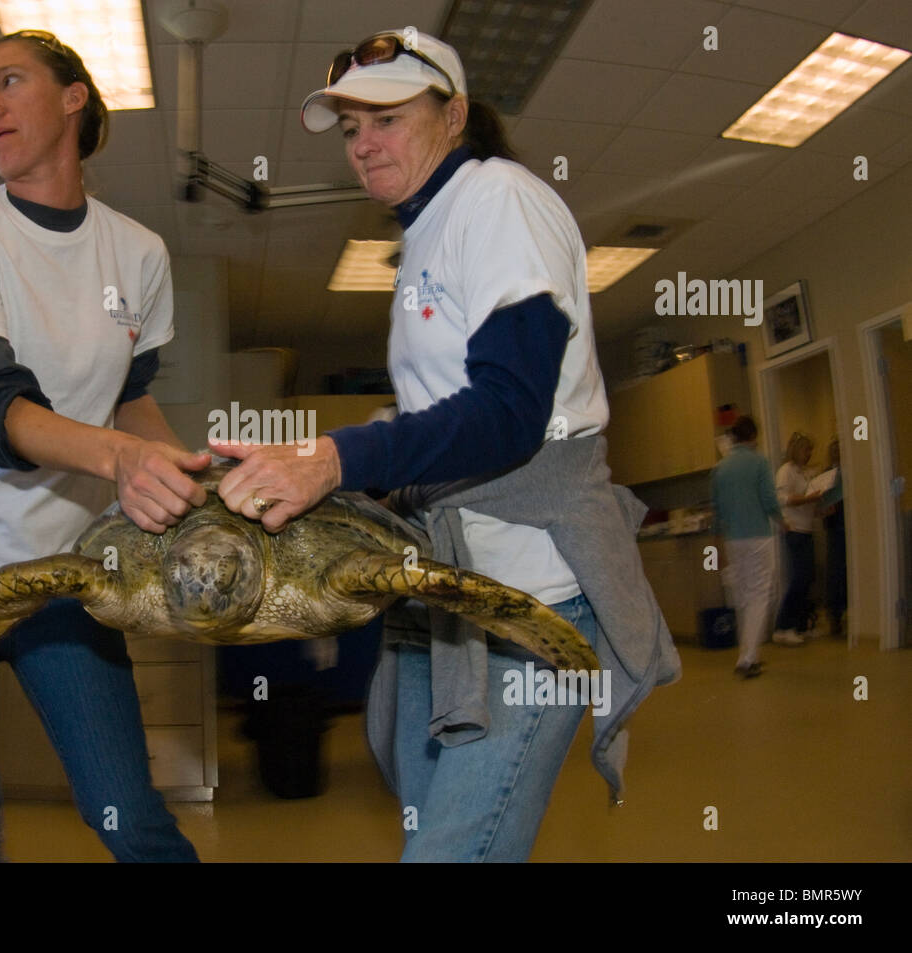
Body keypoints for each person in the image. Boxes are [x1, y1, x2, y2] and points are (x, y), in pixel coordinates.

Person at [210, 29, 679, 862]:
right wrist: (318, 478)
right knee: (430, 827)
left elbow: (508, 413)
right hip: (450, 590)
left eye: (385, 117)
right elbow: (439, 419)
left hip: (531, 596)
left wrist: (334, 459)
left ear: (454, 114)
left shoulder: (498, 200)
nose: (363, 144)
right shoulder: (425, 234)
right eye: (351, 127)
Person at [0, 30, 208, 862]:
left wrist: (187, 476)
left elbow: (128, 398)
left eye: (8, 81)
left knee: (129, 817)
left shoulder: (138, 253)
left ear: (73, 99)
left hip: (65, 578)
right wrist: (118, 460)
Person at [711, 415, 783, 678]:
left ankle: (746, 653)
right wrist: (782, 521)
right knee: (759, 596)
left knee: (742, 598)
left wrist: (717, 545)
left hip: (733, 540)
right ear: (753, 436)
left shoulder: (720, 468)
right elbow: (769, 500)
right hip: (757, 537)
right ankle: (747, 659)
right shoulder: (759, 462)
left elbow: (716, 510)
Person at [773, 432, 824, 645]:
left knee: (808, 578)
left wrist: (818, 505)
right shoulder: (786, 471)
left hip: (806, 529)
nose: (809, 454)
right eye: (806, 450)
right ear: (796, 450)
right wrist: (807, 499)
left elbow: (806, 500)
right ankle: (783, 626)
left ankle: (802, 625)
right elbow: (782, 499)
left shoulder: (804, 473)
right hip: (794, 530)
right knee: (799, 579)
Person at [819, 437, 847, 638]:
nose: (837, 454)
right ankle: (835, 616)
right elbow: (820, 500)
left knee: (847, 572)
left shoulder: (851, 472)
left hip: (848, 524)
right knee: (835, 572)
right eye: (834, 451)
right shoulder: (827, 474)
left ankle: (843, 612)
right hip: (834, 525)